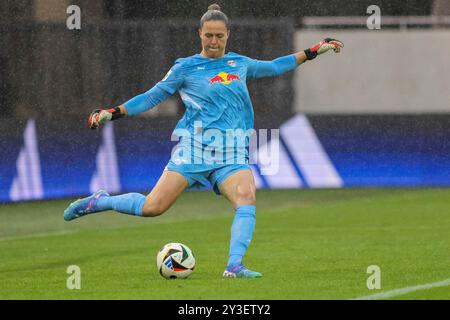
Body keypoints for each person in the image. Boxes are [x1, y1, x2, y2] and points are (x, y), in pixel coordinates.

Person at [63, 3, 344, 278]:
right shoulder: (185, 68)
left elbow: (274, 67)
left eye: (219, 36)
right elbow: (152, 97)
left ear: (228, 35)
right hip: (194, 151)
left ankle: (234, 266)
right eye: (208, 35)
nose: (213, 41)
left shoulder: (239, 64)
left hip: (232, 154)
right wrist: (113, 113)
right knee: (152, 208)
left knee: (246, 197)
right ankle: (101, 202)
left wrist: (313, 51)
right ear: (199, 33)